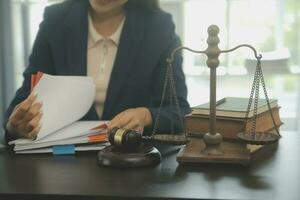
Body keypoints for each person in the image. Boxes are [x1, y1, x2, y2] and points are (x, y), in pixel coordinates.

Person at [4, 0, 190, 142]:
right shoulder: (55, 21)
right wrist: (17, 125)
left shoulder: (159, 27)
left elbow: (179, 112)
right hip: (62, 165)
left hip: (133, 164)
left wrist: (146, 115)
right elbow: (21, 103)